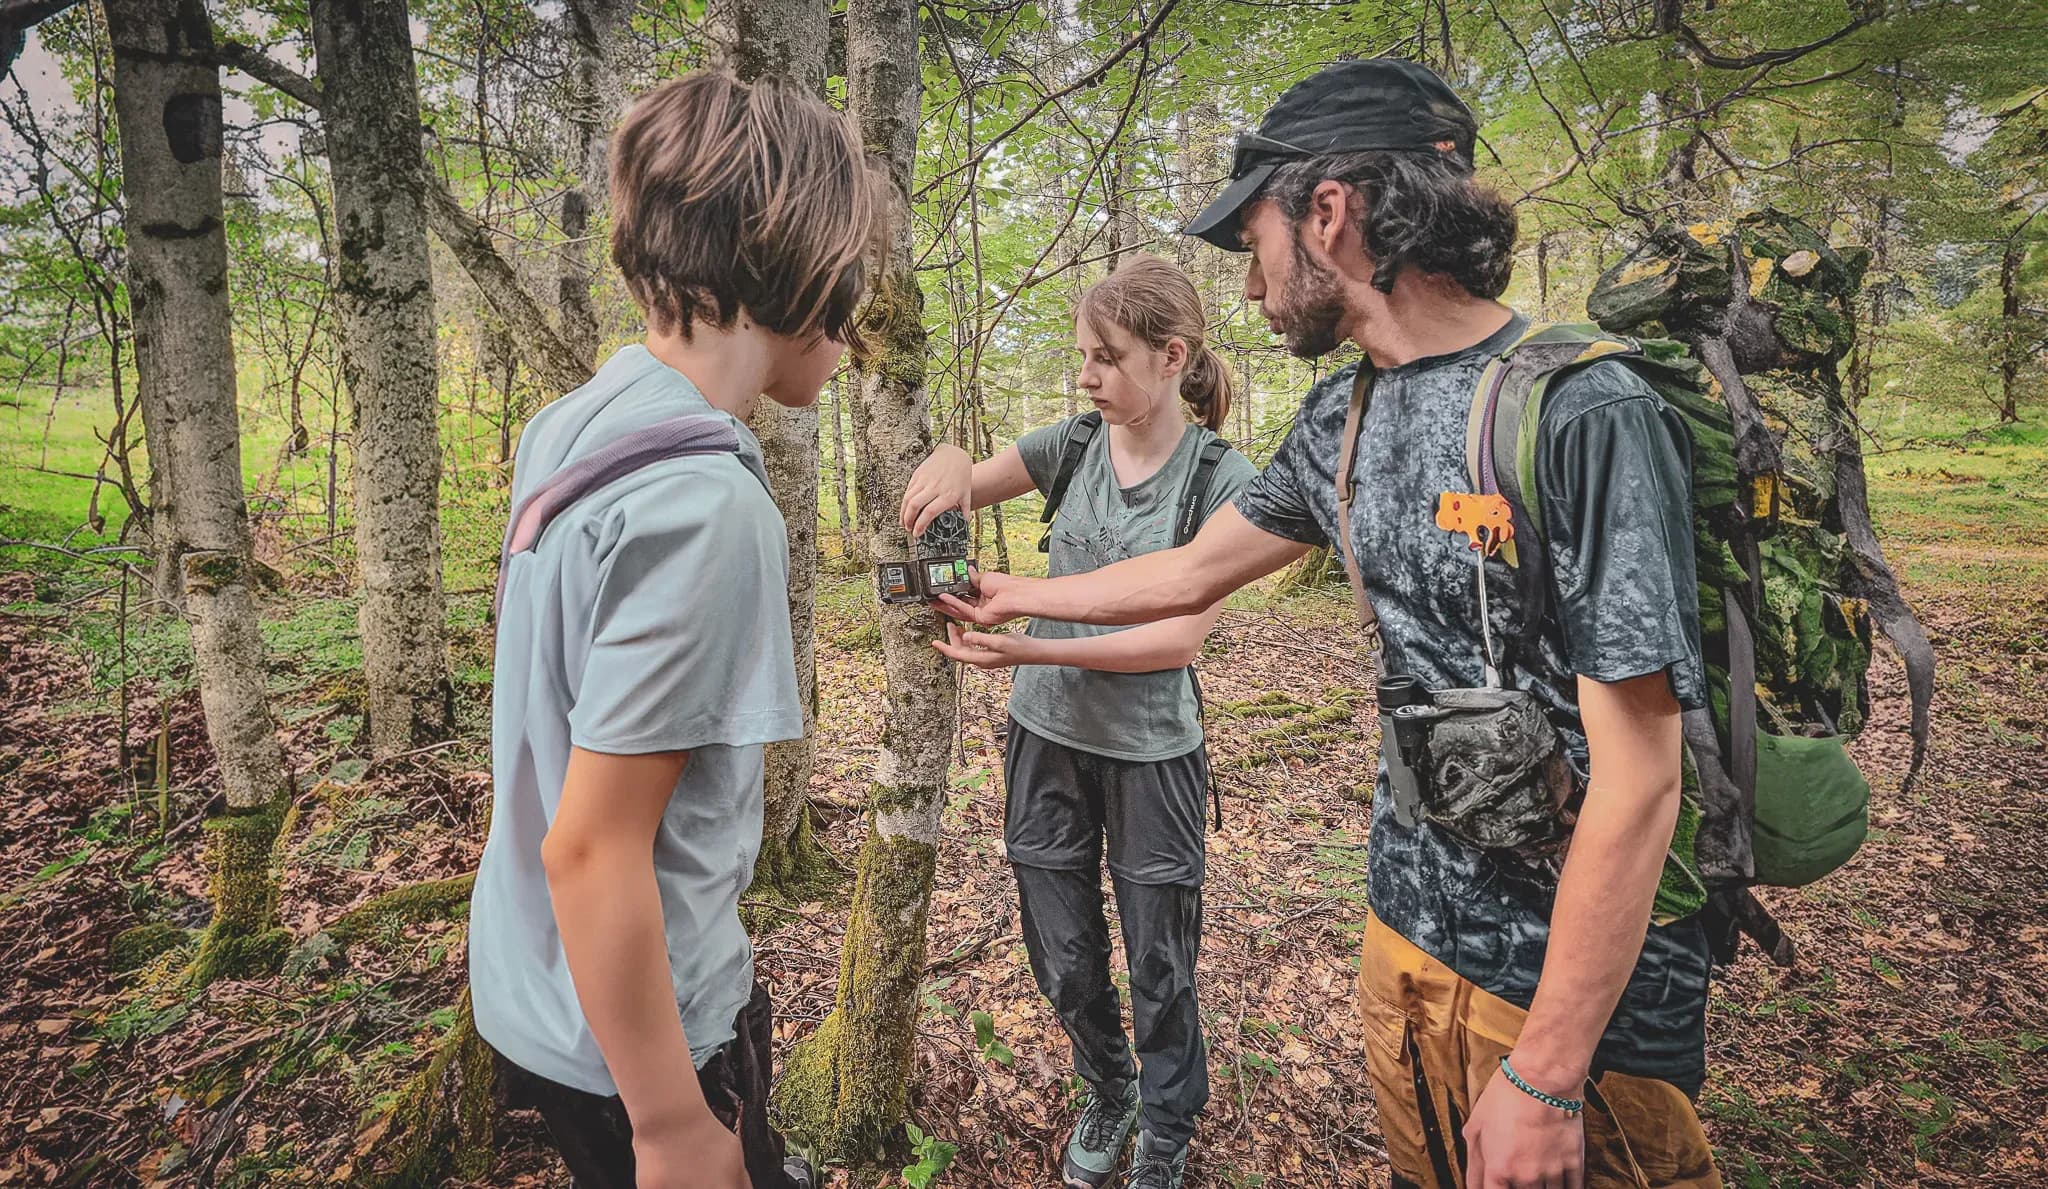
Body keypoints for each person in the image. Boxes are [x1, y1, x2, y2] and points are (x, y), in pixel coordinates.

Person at [939, 59, 1723, 1189]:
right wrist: (1019, 597)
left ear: (1328, 213)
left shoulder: (1583, 412)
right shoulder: (1341, 412)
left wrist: (1548, 1070)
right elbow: (1190, 571)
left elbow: (1641, 776)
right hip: (1405, 930)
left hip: (1573, 995)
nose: (1250, 289)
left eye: (1252, 242)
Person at [467, 70, 876, 1189]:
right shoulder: (706, 505)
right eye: (850, 275)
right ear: (797, 261)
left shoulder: (573, 422)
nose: (855, 311)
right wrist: (672, 1128)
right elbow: (594, 847)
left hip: (537, 984)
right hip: (639, 1045)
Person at [901, 255, 1258, 1189]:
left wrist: (1030, 641)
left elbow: (1178, 636)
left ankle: (1168, 1130)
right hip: (1045, 744)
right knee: (1062, 954)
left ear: (1172, 355)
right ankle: (1110, 1087)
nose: (1087, 376)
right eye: (1082, 358)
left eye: (1107, 357)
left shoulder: (1219, 479)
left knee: (1160, 961)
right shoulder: (1071, 445)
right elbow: (966, 482)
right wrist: (945, 461)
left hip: (1150, 757)